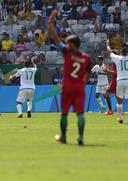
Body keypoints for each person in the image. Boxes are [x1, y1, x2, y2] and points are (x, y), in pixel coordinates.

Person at [49, 10, 91, 145]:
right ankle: (80, 137)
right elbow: (89, 71)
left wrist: (50, 22)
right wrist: (84, 81)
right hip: (79, 86)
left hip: (67, 86)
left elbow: (55, 39)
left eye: (68, 43)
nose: (66, 44)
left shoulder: (67, 52)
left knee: (64, 113)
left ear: (73, 45)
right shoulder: (86, 57)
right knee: (80, 114)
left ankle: (64, 137)